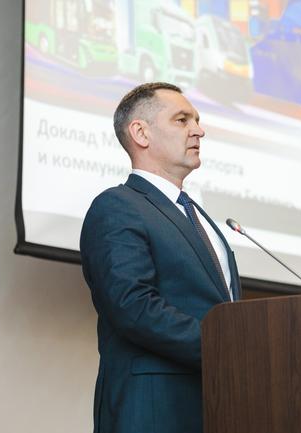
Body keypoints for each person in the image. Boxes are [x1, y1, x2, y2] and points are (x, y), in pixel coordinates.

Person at [80, 82, 241, 433]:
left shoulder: (199, 217)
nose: (198, 130)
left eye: (197, 120)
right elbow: (133, 305)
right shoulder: (117, 206)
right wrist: (224, 347)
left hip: (217, 405)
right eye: (182, 120)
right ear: (141, 133)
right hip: (154, 410)